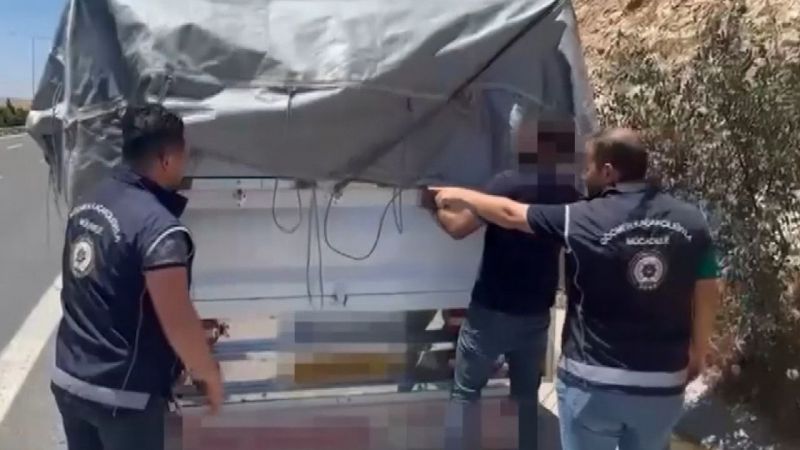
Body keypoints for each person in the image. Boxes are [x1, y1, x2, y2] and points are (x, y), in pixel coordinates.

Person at [431, 128, 721, 450]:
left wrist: (456, 195)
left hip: (591, 378)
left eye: (590, 166)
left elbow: (508, 214)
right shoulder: (692, 222)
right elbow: (708, 289)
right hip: (661, 383)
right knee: (525, 396)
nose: (584, 174)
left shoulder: (580, 216)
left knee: (467, 391)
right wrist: (699, 350)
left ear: (608, 171)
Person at [51, 103, 223, 450]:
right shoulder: (160, 230)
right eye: (184, 155)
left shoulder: (88, 202)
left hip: (70, 379)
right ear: (166, 159)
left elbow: (97, 289)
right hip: (121, 400)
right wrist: (209, 376)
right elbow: (178, 321)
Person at [431, 168, 579, 450]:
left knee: (466, 393)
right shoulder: (567, 191)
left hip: (491, 310)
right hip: (536, 313)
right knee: (526, 397)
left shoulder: (507, 183)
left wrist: (434, 208)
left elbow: (458, 227)